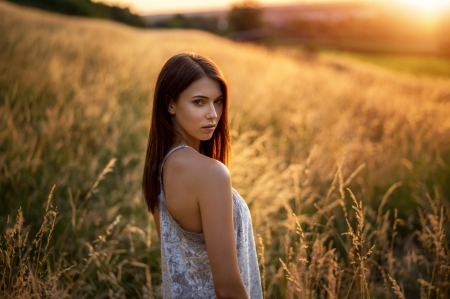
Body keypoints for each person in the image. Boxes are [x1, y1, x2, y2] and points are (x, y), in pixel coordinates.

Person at [142, 53, 262, 299]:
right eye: (199, 102)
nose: (213, 114)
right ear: (170, 104)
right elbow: (228, 288)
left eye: (218, 101)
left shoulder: (158, 168)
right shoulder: (210, 173)